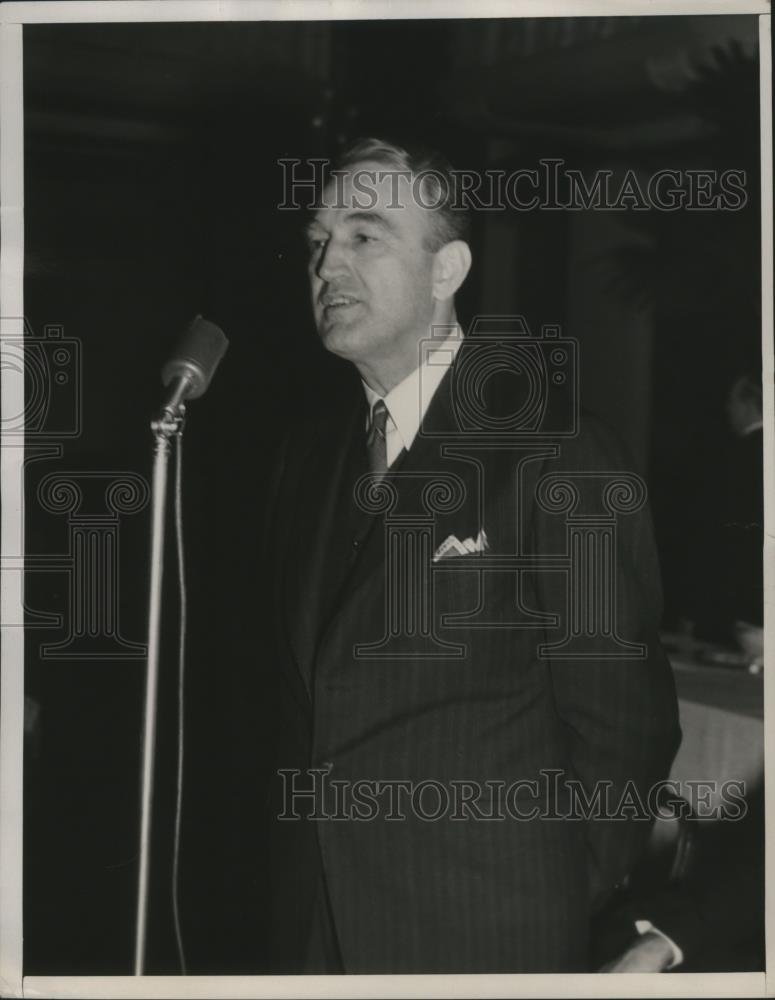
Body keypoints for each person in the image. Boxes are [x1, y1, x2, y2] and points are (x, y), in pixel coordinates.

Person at [262, 136, 681, 974]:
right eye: (316, 242)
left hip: (486, 933)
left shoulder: (557, 450)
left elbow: (625, 726)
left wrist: (560, 894)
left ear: (447, 269)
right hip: (313, 935)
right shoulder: (304, 460)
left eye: (363, 236)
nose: (325, 267)